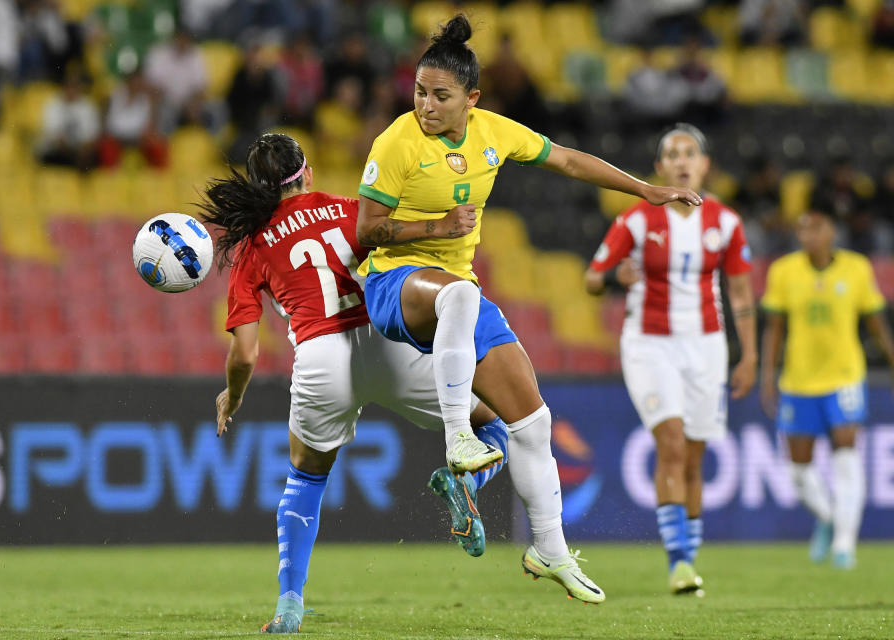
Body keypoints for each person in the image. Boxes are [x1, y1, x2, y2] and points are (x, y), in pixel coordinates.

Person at [355, 14, 701, 604]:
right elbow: (364, 233)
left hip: (455, 291)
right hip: (394, 283)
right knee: (462, 295)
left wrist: (643, 189)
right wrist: (436, 225)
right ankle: (459, 436)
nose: (426, 106)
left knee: (533, 422)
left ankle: (550, 550)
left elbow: (566, 160)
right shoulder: (395, 143)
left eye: (441, 96)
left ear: (473, 99)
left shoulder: (494, 132)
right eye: (419, 92)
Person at [199, 133, 509, 634]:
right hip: (386, 342)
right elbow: (403, 238)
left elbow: (247, 352)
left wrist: (231, 397)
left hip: (321, 360)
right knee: (497, 425)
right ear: (307, 172)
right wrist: (442, 224)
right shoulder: (348, 209)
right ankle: (464, 481)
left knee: (305, 480)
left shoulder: (252, 245)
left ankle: (290, 604)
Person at [585, 123, 756, 595]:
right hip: (648, 342)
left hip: (707, 344)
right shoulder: (636, 220)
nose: (682, 161)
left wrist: (751, 355)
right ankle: (679, 562)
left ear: (704, 165)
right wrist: (615, 276)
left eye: (691, 153)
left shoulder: (726, 222)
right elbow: (591, 279)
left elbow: (740, 291)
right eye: (672, 154)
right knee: (673, 443)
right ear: (660, 168)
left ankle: (688, 559)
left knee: (696, 455)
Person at [760, 207, 894, 569]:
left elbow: (875, 321)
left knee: (846, 457)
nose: (808, 236)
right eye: (802, 230)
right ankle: (830, 517)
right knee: (799, 473)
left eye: (816, 228)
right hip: (799, 381)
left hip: (844, 377)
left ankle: (844, 544)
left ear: (831, 230)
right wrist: (767, 375)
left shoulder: (856, 268)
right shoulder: (783, 271)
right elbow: (774, 328)